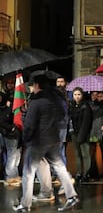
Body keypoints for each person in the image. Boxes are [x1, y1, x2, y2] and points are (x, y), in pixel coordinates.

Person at [12, 74, 79, 212]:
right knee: (59, 167)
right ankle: (71, 195)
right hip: (54, 139)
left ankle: (25, 205)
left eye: (32, 85)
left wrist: (26, 137)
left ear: (37, 85)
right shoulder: (56, 99)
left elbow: (30, 125)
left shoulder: (36, 101)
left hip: (38, 141)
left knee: (28, 173)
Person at [69, 87, 93, 183]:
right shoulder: (72, 106)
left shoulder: (86, 106)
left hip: (83, 133)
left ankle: (86, 173)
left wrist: (81, 136)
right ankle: (79, 173)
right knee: (77, 154)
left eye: (79, 94)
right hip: (74, 133)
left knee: (85, 154)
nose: (77, 96)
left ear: (82, 95)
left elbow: (86, 122)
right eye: (75, 95)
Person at [0, 91, 22, 186]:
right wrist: (12, 128)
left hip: (16, 133)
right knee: (11, 155)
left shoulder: (8, 105)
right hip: (8, 134)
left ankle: (14, 175)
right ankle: (10, 177)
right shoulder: (6, 108)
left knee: (16, 156)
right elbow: (2, 120)